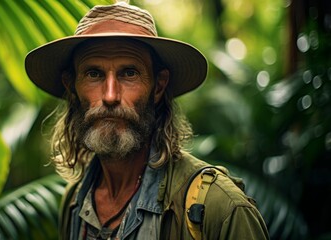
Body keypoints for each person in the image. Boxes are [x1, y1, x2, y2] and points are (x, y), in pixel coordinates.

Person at [25, 1, 269, 239]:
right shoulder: (75, 202)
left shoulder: (219, 209)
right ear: (72, 87)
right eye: (94, 74)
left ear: (158, 86)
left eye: (129, 73)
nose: (110, 96)